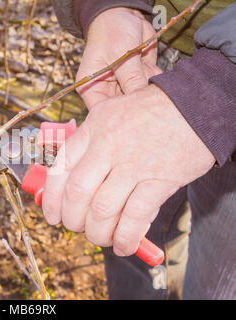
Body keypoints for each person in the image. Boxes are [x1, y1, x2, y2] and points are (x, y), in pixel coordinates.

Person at [45, 0, 235, 299]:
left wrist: (216, 89)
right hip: (150, 50)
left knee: (219, 282)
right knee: (118, 224)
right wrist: (109, 7)